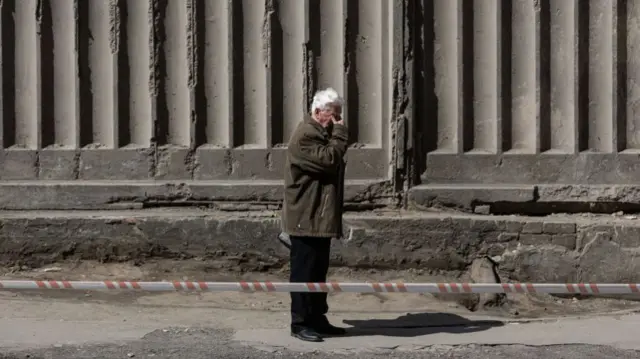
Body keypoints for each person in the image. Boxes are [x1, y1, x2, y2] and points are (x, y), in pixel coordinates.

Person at [281, 88, 349, 342]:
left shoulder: (320, 135)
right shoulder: (306, 136)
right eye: (333, 116)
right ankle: (299, 323)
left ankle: (317, 319)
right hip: (305, 217)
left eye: (339, 117)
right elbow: (329, 160)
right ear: (318, 112)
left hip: (317, 217)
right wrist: (340, 135)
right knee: (303, 273)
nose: (337, 122)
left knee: (318, 273)